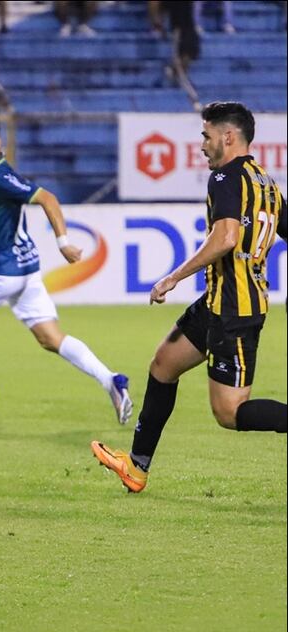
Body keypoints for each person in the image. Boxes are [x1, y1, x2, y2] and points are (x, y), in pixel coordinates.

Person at [92, 102, 288, 493]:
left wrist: (173, 277)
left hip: (235, 311)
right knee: (163, 364)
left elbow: (226, 237)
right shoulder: (266, 182)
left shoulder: (225, 177)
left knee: (228, 412)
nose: (202, 145)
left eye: (206, 135)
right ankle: (136, 466)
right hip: (217, 303)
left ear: (227, 137)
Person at [0, 117, 132, 422]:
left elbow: (47, 198)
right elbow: (5, 213)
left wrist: (63, 242)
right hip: (26, 273)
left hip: (3, 273)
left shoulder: (1, 177)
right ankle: (111, 380)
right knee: (51, 338)